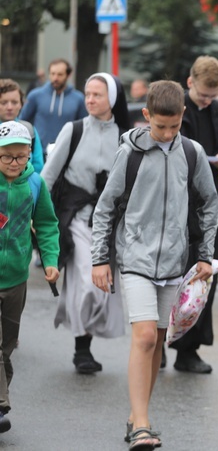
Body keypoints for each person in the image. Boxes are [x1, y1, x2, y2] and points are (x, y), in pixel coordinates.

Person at [91, 80, 218, 450]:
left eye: (174, 126)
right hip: (135, 259)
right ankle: (143, 423)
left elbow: (209, 205)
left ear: (182, 118)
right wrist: (101, 259)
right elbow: (106, 207)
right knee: (144, 336)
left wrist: (205, 256)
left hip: (176, 264)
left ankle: (137, 414)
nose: (166, 133)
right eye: (160, 126)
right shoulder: (129, 154)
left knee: (158, 343)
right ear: (146, 116)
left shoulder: (193, 153)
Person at [41, 72, 130, 374]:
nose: (90, 100)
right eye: (88, 94)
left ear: (113, 99)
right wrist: (33, 213)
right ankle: (81, 349)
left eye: (97, 95)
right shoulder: (74, 129)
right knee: (85, 282)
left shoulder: (125, 134)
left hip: (110, 223)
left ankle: (86, 346)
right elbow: (47, 177)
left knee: (104, 287)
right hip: (76, 218)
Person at [168, 55, 218, 374]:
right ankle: (160, 343)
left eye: (214, 96)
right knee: (171, 276)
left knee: (204, 277)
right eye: (204, 95)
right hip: (178, 204)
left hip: (210, 205)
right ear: (190, 83)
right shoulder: (177, 107)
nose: (209, 102)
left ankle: (189, 350)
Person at [0, 120, 60, 434]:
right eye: (7, 157)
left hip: (16, 279)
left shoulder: (35, 184)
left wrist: (50, 260)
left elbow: (48, 225)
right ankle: (0, 406)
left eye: (20, 157)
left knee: (6, 348)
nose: (14, 163)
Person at [19, 59, 87, 154]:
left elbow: (84, 127)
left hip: (67, 152)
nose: (55, 78)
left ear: (68, 75)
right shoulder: (35, 95)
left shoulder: (78, 99)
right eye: (52, 74)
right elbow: (22, 122)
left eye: (60, 74)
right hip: (40, 152)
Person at [0, 79, 44, 174]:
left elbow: (38, 165)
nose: (10, 107)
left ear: (21, 104)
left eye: (14, 102)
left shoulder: (29, 130)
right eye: (4, 103)